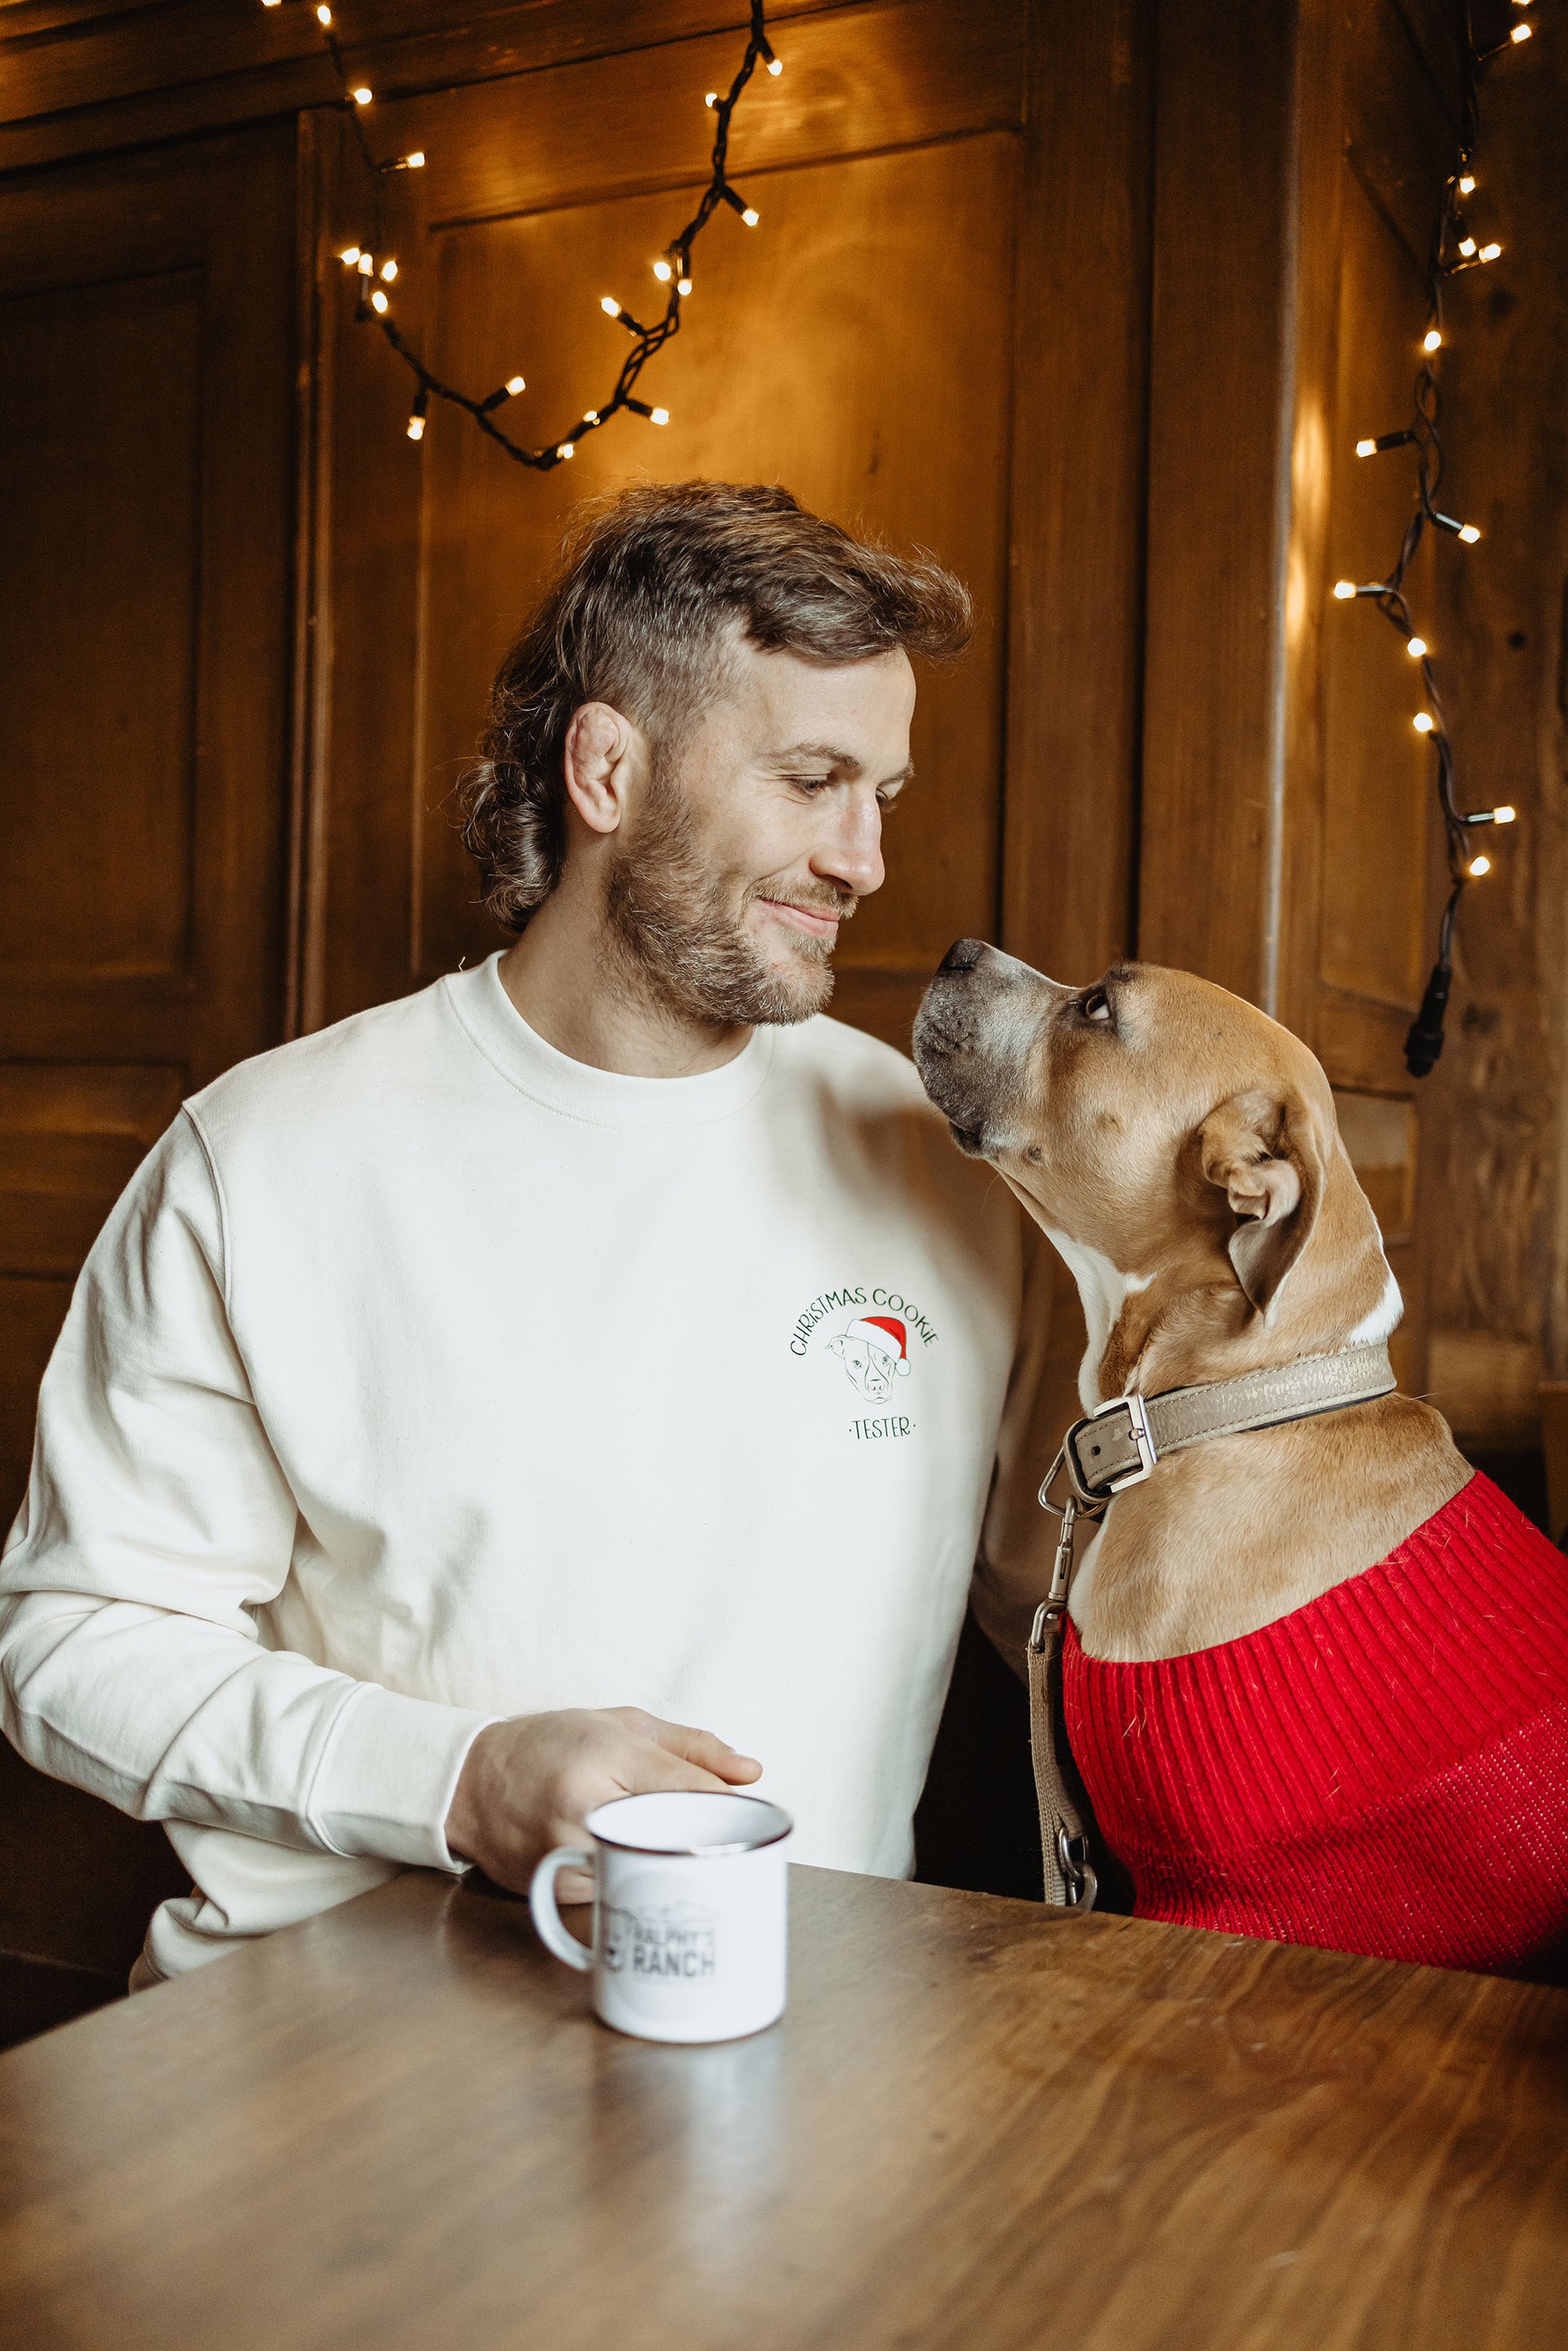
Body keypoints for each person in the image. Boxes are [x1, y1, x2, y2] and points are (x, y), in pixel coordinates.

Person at [0, 481, 1053, 1986]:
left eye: (881, 793)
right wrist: (458, 1778)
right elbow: (71, 1644)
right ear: (608, 767)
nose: (862, 860)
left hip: (805, 2067)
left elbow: (1065, 1614)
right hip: (333, 2065)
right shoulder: (264, 1159)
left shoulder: (934, 1162)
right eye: (812, 778)